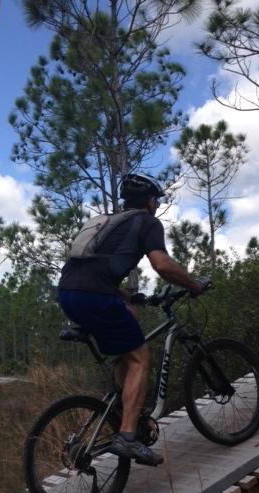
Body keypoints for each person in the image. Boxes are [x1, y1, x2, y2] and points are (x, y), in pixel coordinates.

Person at [57, 173, 209, 465]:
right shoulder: (149, 222)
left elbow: (93, 268)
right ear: (152, 201)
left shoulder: (109, 223)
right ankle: (127, 437)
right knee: (140, 357)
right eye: (156, 200)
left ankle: (119, 415)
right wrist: (194, 285)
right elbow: (162, 264)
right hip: (96, 295)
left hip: (67, 294)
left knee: (124, 354)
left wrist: (124, 298)